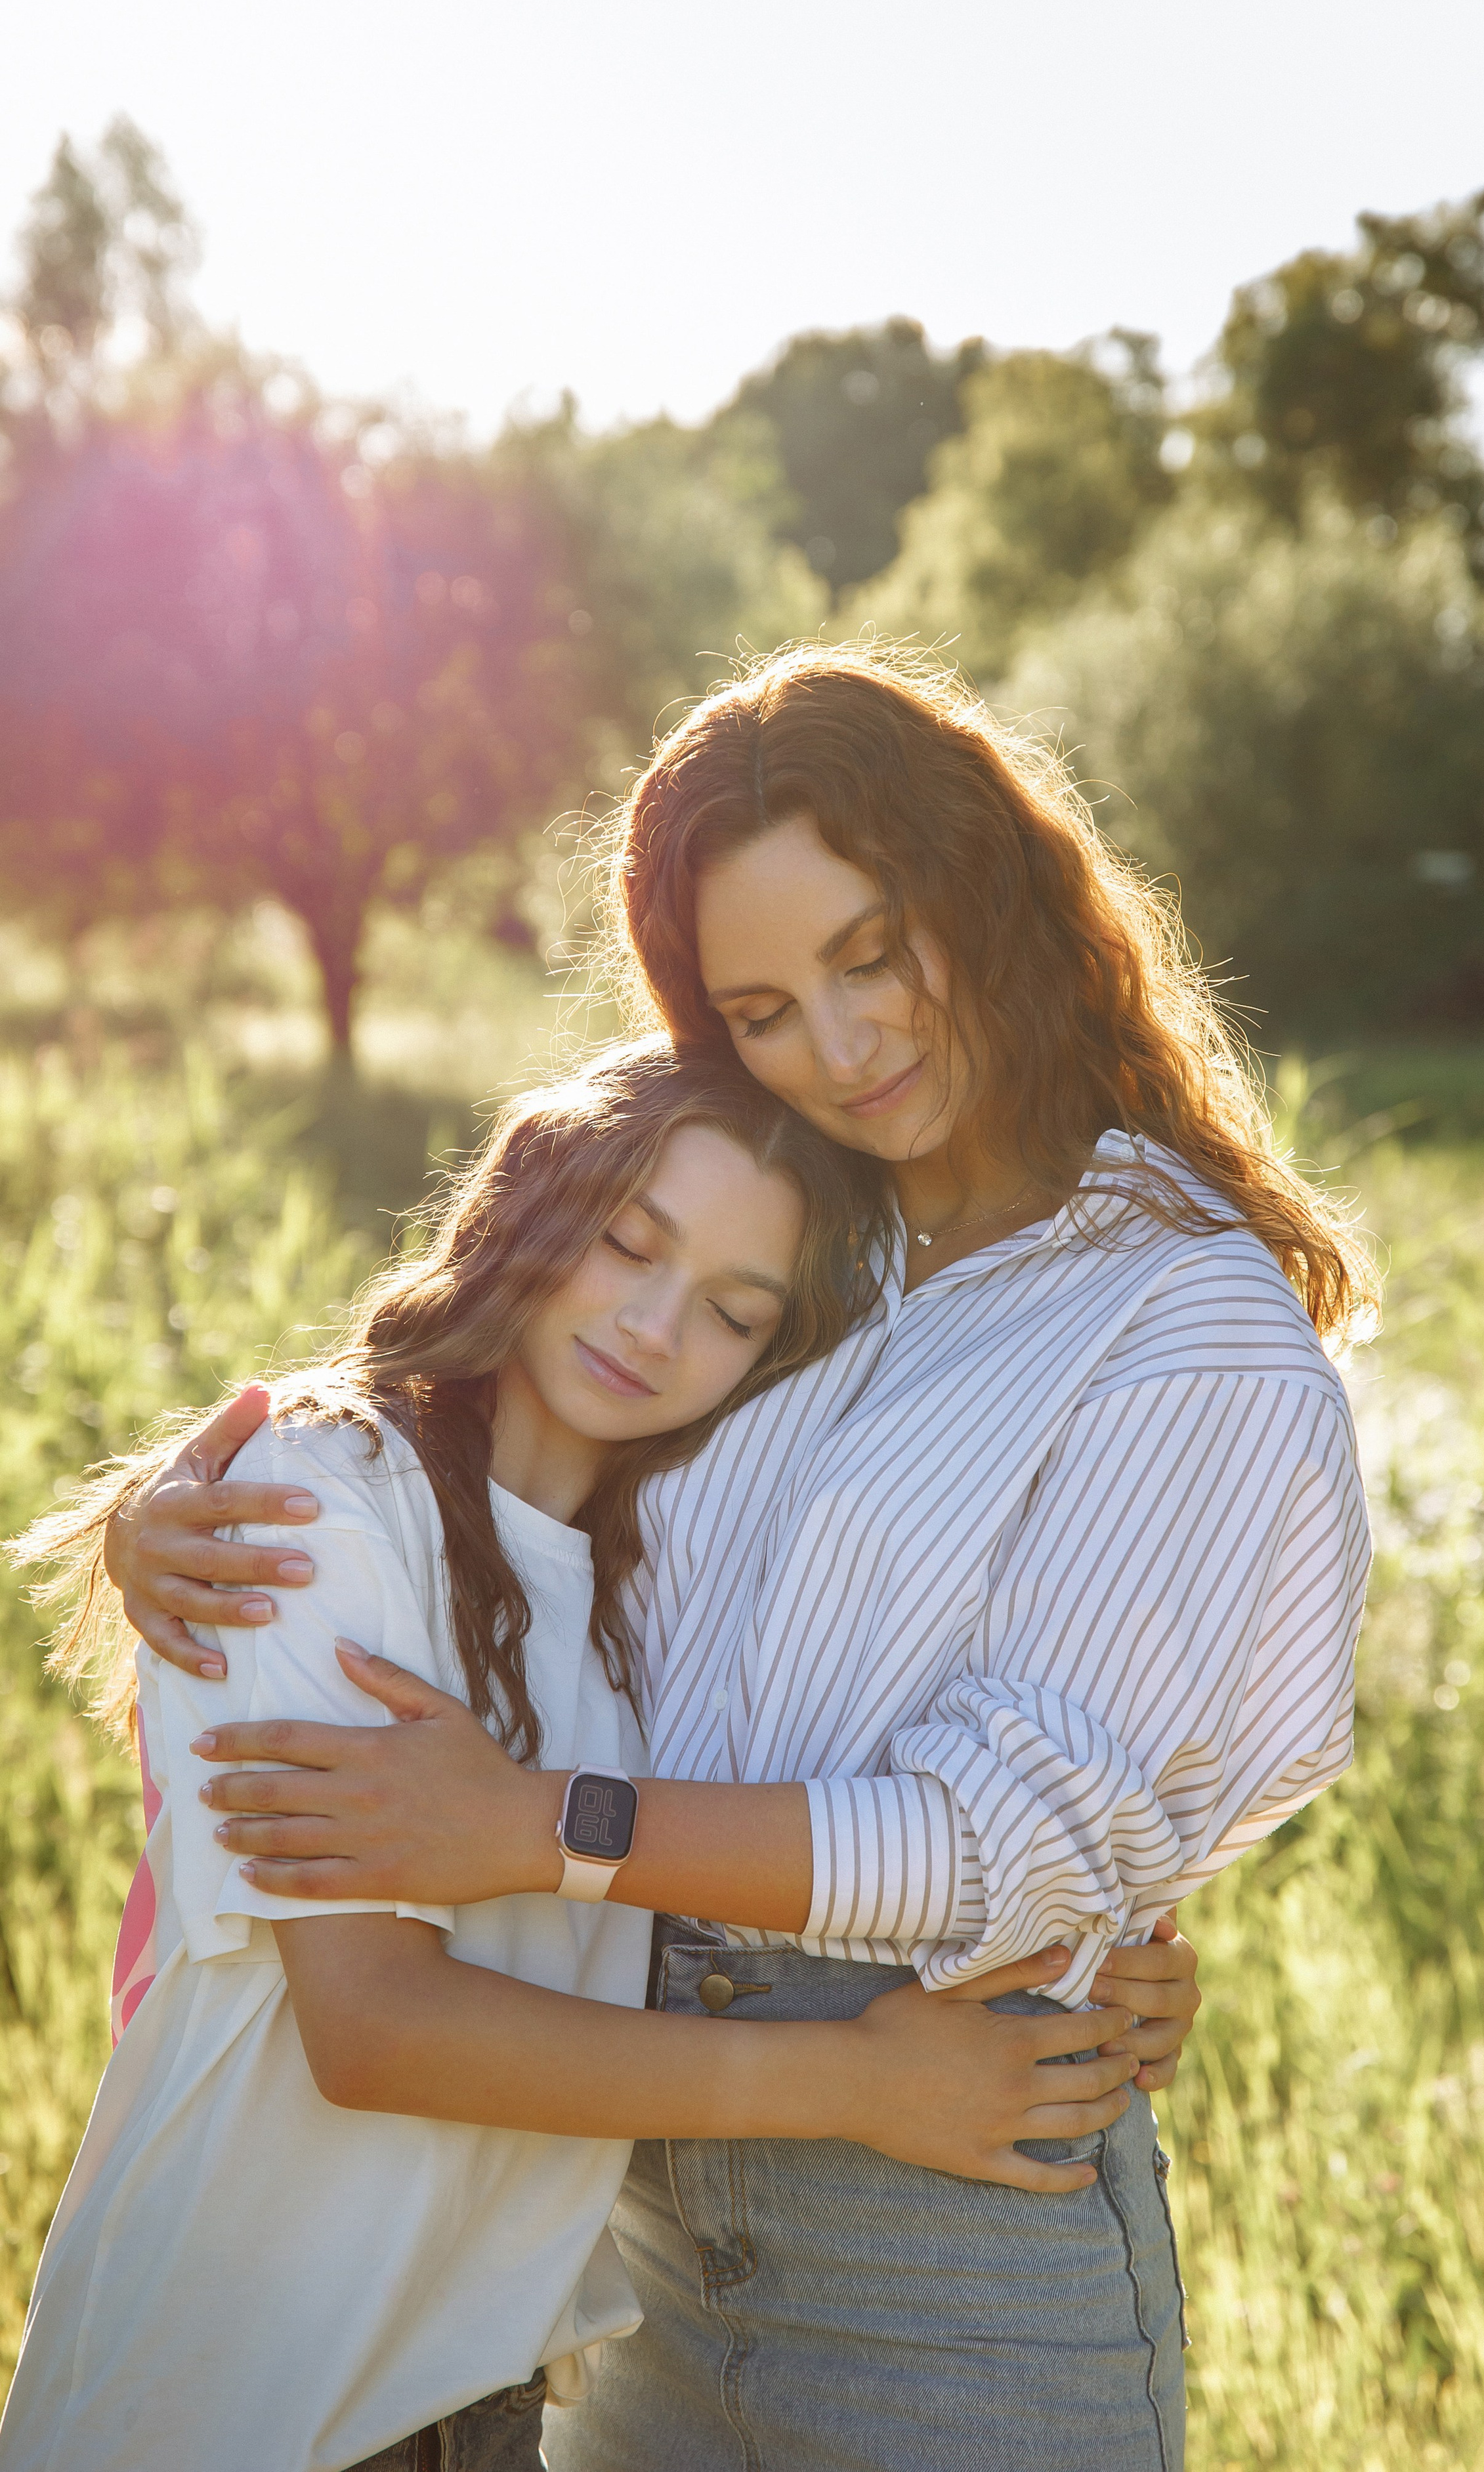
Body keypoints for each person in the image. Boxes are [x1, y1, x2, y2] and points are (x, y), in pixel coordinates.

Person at [107, 641, 1371, 2472]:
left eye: (875, 953)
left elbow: (1004, 1839)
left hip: (937, 2214)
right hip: (618, 2215)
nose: (841, 1048)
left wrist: (550, 1825)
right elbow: (502, 1392)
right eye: (763, 1007)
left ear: (987, 889)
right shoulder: (792, 1237)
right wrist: (186, 1505)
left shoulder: (1180, 1318)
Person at [2, 1040, 1147, 2472]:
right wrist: (858, 2085)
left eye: (732, 1314)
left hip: (477, 2407)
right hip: (235, 2403)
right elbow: (374, 2028)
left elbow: (808, 1833)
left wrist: (1101, 1938)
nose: (654, 1328)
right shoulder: (322, 1498)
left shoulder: (652, 1602)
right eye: (626, 1245)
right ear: (527, 1207)